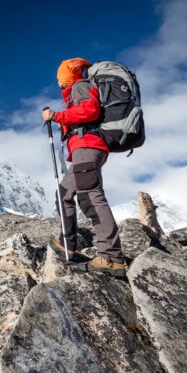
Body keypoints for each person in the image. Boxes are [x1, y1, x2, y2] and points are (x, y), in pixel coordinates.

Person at [41, 57, 125, 276]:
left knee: (90, 196)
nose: (58, 81)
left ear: (66, 77)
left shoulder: (80, 87)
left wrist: (57, 116)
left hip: (87, 147)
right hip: (82, 150)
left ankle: (111, 257)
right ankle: (67, 243)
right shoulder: (76, 91)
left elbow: (91, 111)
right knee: (64, 193)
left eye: (60, 76)